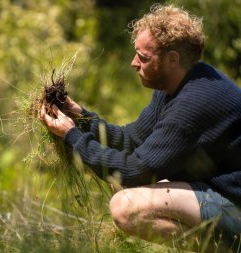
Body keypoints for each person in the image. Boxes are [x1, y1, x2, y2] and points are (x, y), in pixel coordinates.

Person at [40, 4, 241, 251]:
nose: (134, 63)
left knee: (126, 207)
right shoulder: (176, 84)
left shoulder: (195, 102)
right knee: (145, 185)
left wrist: (72, 136)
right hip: (217, 191)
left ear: (172, 59)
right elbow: (131, 139)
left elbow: (135, 170)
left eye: (144, 57)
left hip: (236, 207)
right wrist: (81, 118)